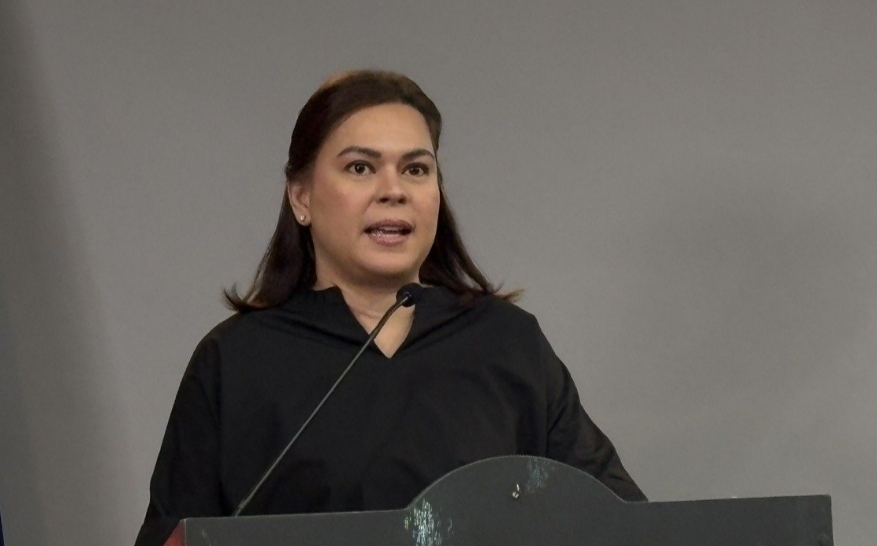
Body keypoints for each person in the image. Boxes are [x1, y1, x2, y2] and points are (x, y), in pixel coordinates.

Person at [134, 70, 644, 546]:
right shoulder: (236, 360)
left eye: (416, 169)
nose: (394, 191)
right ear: (301, 197)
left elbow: (624, 524)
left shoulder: (507, 344)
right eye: (360, 167)